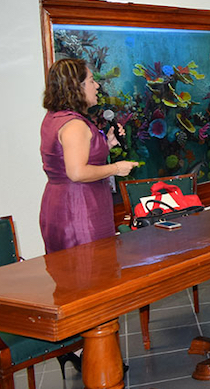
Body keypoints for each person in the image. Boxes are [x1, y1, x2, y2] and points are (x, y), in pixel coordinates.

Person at [40, 58, 138, 254]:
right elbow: (77, 172)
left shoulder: (54, 118)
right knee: (90, 271)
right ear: (77, 87)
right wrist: (117, 168)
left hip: (61, 204)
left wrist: (107, 143)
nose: (97, 85)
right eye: (92, 81)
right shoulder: (75, 125)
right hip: (79, 209)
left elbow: (70, 157)